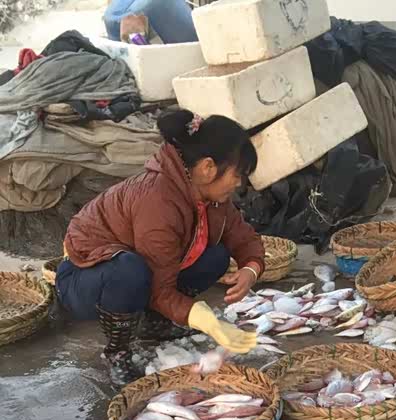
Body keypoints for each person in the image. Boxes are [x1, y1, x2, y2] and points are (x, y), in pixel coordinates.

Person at [58, 109, 263, 382]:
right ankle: (117, 352)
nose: (239, 184)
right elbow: (158, 288)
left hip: (143, 273)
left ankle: (158, 323)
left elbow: (243, 236)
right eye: (237, 175)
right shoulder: (158, 200)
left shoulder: (211, 197)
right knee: (129, 271)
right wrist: (204, 318)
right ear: (208, 167)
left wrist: (251, 268)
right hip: (86, 280)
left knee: (216, 256)